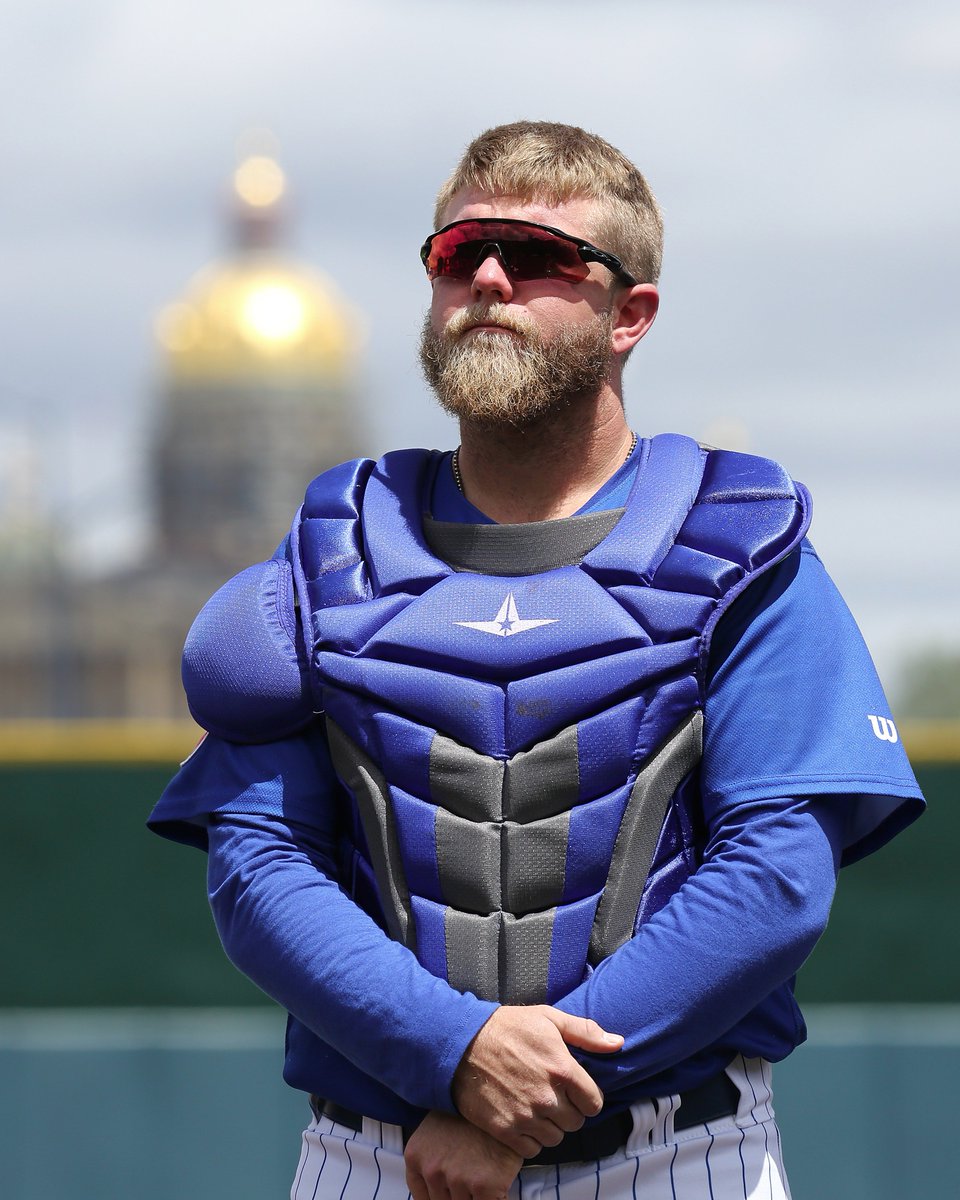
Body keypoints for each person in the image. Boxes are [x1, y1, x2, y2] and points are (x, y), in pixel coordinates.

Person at [149, 122, 924, 1200]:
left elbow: (776, 878)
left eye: (539, 256)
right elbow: (258, 865)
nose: (489, 278)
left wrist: (519, 1104)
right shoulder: (335, 550)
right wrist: (454, 1054)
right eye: (458, 252)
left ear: (630, 315)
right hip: (381, 1154)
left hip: (676, 1155)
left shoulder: (740, 543)